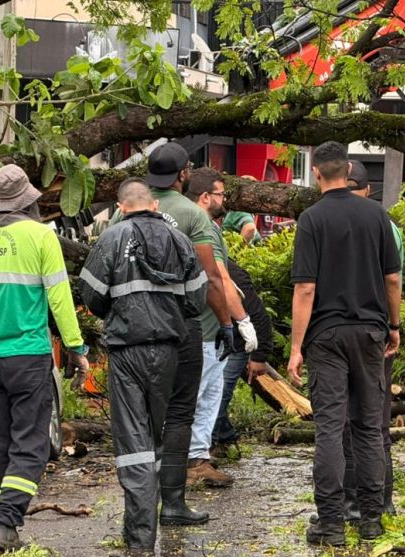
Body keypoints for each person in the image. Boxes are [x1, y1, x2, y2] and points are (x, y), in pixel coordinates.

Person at [0, 164, 89, 552]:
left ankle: (1, 522)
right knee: (30, 443)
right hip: (27, 356)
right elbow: (59, 298)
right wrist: (76, 347)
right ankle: (6, 519)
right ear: (27, 200)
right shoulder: (40, 236)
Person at [108, 143, 237, 525]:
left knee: (139, 420)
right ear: (183, 175)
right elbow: (211, 278)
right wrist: (228, 324)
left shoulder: (120, 217)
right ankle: (174, 504)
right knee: (179, 415)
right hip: (182, 331)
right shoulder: (192, 214)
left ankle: (139, 508)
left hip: (131, 334)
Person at [79, 180, 208, 552]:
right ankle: (143, 522)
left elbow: (90, 294)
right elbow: (196, 298)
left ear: (121, 206)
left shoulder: (111, 239)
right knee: (152, 436)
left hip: (126, 351)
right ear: (153, 204)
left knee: (134, 442)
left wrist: (118, 312)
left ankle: (139, 538)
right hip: (167, 350)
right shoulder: (178, 240)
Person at [287, 142, 402, 546]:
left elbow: (305, 289)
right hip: (370, 332)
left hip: (326, 336)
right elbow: (392, 278)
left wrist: (295, 347)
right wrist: (394, 324)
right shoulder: (378, 216)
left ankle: (331, 525)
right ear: (348, 168)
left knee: (330, 430)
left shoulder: (311, 219)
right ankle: (371, 520)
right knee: (370, 428)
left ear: (316, 172)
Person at [184, 167, 257, 487]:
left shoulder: (168, 215)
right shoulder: (203, 227)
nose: (224, 199)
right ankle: (196, 459)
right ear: (204, 197)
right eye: (221, 194)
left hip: (176, 323)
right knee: (204, 395)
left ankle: (184, 457)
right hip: (206, 326)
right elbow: (220, 279)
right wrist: (241, 321)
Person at [341, 159, 404, 519]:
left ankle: (358, 503)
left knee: (351, 422)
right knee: (375, 421)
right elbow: (393, 281)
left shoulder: (325, 219)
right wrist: (393, 325)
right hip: (377, 330)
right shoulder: (386, 225)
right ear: (368, 189)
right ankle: (380, 501)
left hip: (340, 331)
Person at [211, 257, 274, 458]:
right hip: (211, 342)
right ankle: (226, 438)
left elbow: (259, 315)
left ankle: (208, 449)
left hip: (237, 344)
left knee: (217, 399)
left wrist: (259, 355)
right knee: (208, 399)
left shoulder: (232, 273)